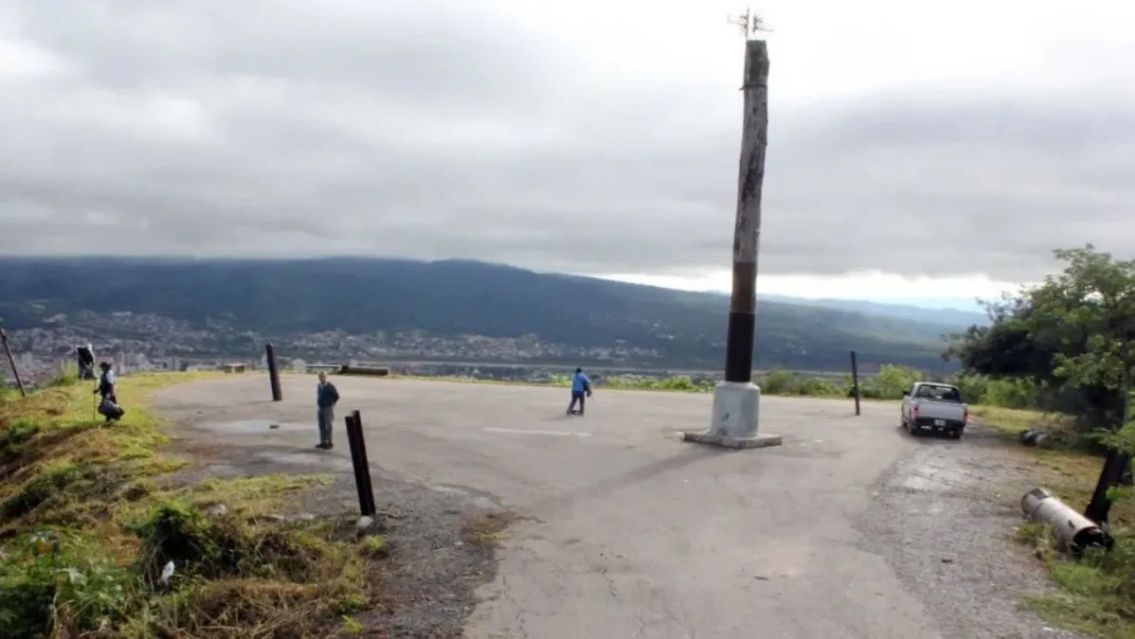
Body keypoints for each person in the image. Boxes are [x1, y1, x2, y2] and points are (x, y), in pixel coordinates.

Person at [315, 372, 340, 449]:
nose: (321, 378)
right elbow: (319, 395)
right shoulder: (319, 386)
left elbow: (336, 396)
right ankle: (323, 442)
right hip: (321, 407)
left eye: (323, 377)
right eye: (320, 377)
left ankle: (329, 442)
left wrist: (331, 403)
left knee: (328, 425)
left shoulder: (330, 386)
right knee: (321, 425)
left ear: (326, 377)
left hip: (328, 408)